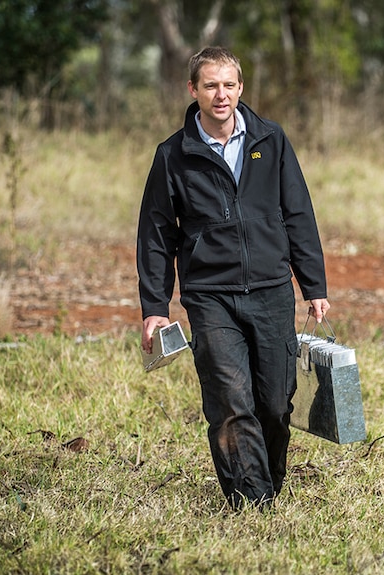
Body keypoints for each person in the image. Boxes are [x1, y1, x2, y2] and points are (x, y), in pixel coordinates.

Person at [137, 46, 330, 509]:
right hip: (210, 296)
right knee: (230, 403)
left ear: (240, 88)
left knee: (275, 405)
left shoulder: (272, 140)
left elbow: (298, 213)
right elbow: (157, 233)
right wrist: (154, 309)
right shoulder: (173, 155)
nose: (220, 95)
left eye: (228, 85)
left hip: (270, 291)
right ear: (193, 90)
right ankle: (254, 503)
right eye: (210, 85)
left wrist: (314, 286)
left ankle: (267, 482)